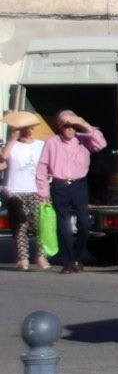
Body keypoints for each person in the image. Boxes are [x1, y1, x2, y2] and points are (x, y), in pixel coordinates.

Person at [36, 109, 106, 273]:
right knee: (64, 226)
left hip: (79, 185)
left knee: (85, 223)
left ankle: (78, 257)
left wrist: (82, 122)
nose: (70, 129)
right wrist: (43, 191)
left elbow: (101, 144)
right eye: (66, 125)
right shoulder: (52, 142)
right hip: (59, 185)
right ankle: (67, 261)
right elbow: (42, 166)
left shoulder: (84, 140)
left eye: (72, 126)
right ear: (60, 126)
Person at [2, 110, 51, 270]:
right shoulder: (11, 145)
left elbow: (47, 166)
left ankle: (41, 256)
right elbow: (3, 158)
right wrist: (12, 139)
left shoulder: (40, 145)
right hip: (15, 190)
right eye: (23, 128)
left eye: (29, 128)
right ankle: (23, 259)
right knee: (19, 225)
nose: (26, 131)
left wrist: (45, 188)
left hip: (36, 189)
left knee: (39, 225)